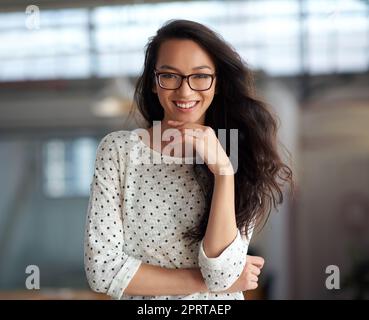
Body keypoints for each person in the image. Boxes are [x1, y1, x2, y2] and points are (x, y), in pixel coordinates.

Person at [84, 19, 292, 300]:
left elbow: (221, 273)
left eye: (200, 76)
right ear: (154, 83)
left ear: (217, 83)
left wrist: (223, 171)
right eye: (169, 76)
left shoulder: (236, 150)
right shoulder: (119, 150)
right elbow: (103, 271)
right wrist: (206, 282)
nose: (185, 91)